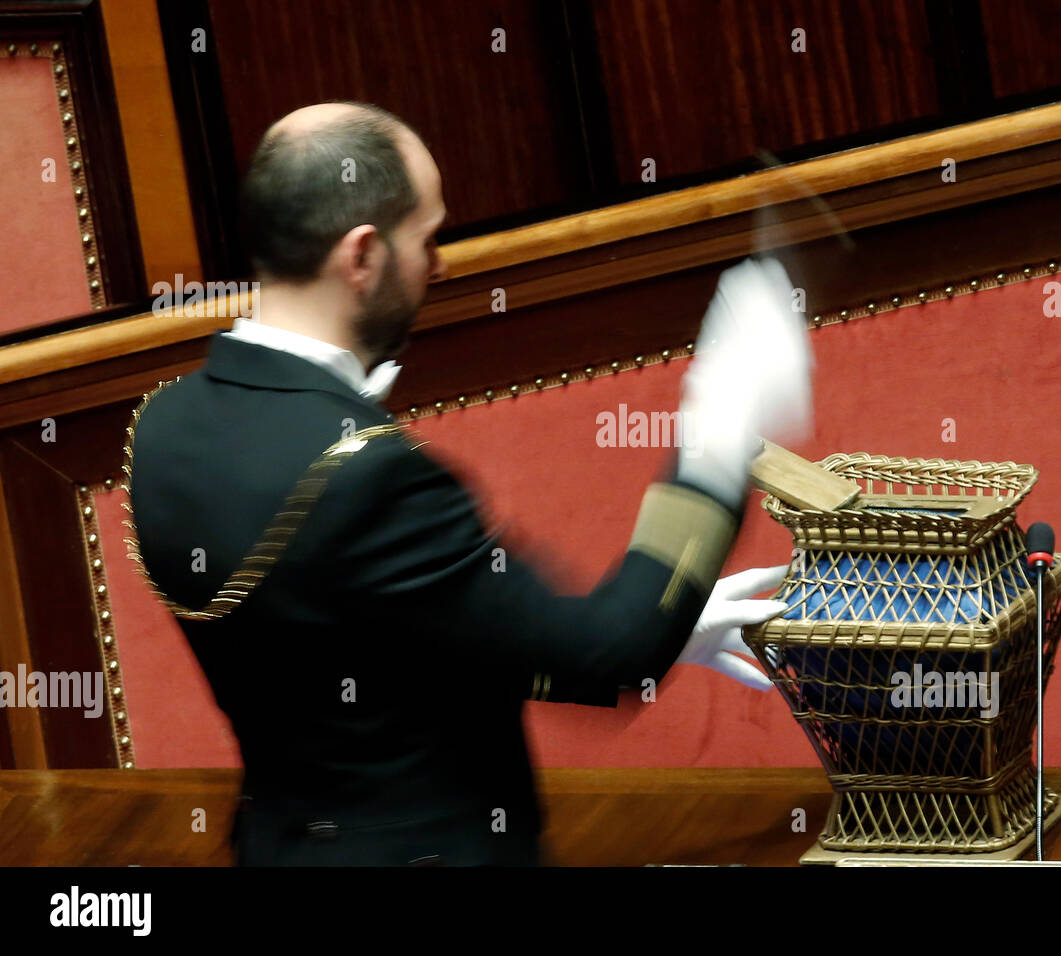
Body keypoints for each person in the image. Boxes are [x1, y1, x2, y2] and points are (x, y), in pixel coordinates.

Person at [125, 102, 812, 865]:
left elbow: (376, 640)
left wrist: (664, 616)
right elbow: (611, 655)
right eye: (428, 238)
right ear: (361, 256)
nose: (441, 264)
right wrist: (721, 423)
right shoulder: (365, 472)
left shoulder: (163, 425)